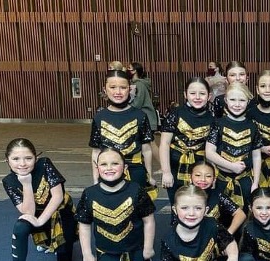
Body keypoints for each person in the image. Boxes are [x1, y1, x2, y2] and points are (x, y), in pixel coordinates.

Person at [0, 138, 77, 261]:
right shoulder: (9, 181)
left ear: (36, 157)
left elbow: (58, 197)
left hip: (60, 214)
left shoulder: (45, 164)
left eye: (28, 158)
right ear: (7, 160)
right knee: (20, 226)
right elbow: (28, 212)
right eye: (16, 159)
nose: (22, 164)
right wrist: (26, 184)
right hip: (35, 214)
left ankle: (52, 241)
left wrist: (40, 221)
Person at [76, 148, 156, 261]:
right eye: (104, 164)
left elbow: (149, 220)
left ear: (125, 167)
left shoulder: (136, 190)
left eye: (115, 163)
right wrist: (86, 253)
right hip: (107, 251)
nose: (109, 168)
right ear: (97, 167)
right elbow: (84, 225)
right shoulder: (90, 193)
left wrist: (148, 248)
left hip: (133, 250)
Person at [89, 69, 157, 201]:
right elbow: (96, 151)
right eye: (113, 87)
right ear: (105, 89)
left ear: (130, 89)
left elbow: (147, 149)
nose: (118, 92)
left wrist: (149, 175)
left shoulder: (140, 116)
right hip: (108, 171)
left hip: (136, 171)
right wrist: (95, 178)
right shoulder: (99, 117)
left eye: (123, 87)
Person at [205, 82, 262, 211]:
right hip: (221, 180)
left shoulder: (253, 126)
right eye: (232, 100)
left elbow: (257, 156)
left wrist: (255, 183)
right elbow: (209, 152)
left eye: (242, 100)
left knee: (244, 215)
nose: (237, 104)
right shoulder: (218, 124)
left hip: (245, 181)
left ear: (248, 101)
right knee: (220, 216)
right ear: (226, 100)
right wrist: (231, 166)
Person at [159, 77, 214, 203]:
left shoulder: (212, 118)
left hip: (200, 169)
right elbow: (164, 143)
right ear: (185, 94)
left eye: (202, 93)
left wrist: (213, 174)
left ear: (209, 96)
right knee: (177, 203)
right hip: (175, 166)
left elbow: (212, 149)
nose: (197, 97)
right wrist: (166, 172)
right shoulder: (175, 113)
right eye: (192, 93)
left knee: (200, 202)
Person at [187, 160, 246, 236]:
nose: (203, 179)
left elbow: (241, 214)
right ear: (190, 177)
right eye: (198, 175)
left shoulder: (218, 195)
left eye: (208, 176)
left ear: (214, 179)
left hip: (214, 238)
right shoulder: (183, 195)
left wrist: (227, 235)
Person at [128, 62, 160, 164]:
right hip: (143, 118)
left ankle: (163, 166)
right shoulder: (135, 84)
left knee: (151, 144)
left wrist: (125, 106)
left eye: (129, 68)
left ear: (134, 71)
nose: (127, 70)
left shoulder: (139, 85)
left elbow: (137, 103)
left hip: (146, 118)